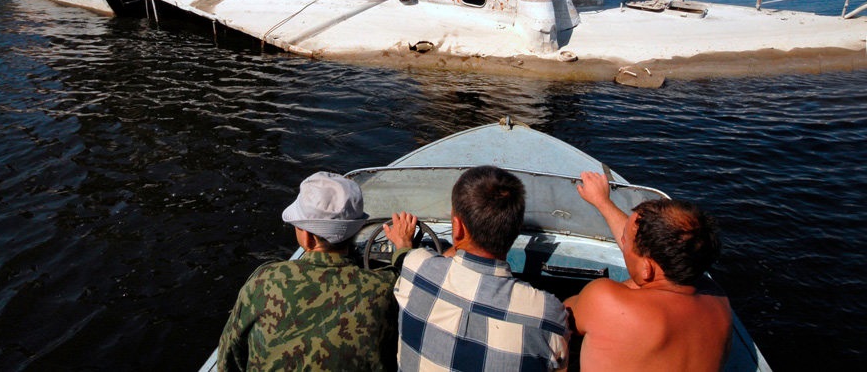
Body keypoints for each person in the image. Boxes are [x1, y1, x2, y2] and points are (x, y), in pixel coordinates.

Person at [217, 171, 417, 371]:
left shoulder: (264, 281)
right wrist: (404, 250)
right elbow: (412, 296)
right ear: (356, 230)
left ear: (308, 238)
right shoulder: (385, 286)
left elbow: (229, 358)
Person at [393, 165, 569, 371]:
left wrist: (405, 241)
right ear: (514, 230)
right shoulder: (547, 314)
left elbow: (403, 256)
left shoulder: (415, 267)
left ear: (457, 228)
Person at [564, 171, 732, 372]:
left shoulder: (604, 299)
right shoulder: (718, 299)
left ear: (647, 269)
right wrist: (602, 202)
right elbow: (650, 265)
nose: (622, 242)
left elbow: (556, 316)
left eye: (625, 243)